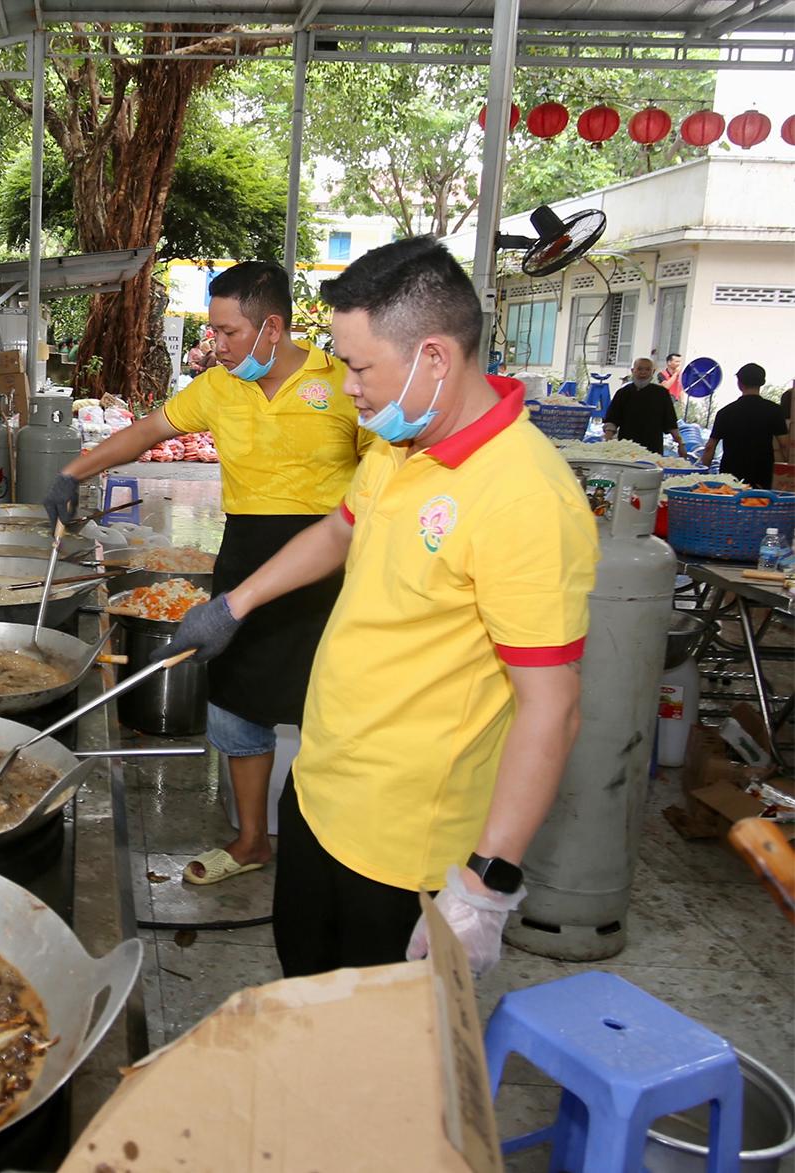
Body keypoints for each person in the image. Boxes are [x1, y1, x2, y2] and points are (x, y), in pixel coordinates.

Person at [159, 237, 597, 978]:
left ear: (434, 357)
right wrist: (235, 603)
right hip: (320, 792)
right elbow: (339, 530)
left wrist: (486, 883)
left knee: (380, 1031)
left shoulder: (525, 496)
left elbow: (552, 708)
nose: (348, 388)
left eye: (360, 368)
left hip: (406, 844)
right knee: (307, 985)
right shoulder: (401, 445)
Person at [43, 261, 369, 886]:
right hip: (246, 551)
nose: (214, 345)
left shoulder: (343, 384)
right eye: (212, 331)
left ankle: (338, 847)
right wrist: (72, 472)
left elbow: (384, 482)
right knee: (237, 704)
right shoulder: (218, 387)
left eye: (228, 332)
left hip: (333, 562)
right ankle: (251, 841)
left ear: (272, 327)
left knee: (333, 703)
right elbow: (148, 431)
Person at [706, 363, 790, 489]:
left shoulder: (725, 412)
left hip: (730, 478)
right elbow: (784, 445)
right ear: (762, 383)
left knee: (731, 501)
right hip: (763, 476)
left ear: (739, 383)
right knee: (760, 501)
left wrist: (703, 474)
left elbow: (710, 447)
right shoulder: (775, 410)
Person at [604, 358, 689, 458]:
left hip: (653, 448)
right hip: (626, 448)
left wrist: (680, 444)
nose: (643, 372)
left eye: (647, 369)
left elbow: (671, 422)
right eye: (639, 369)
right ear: (633, 371)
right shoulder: (623, 393)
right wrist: (607, 443)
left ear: (653, 372)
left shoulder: (661, 394)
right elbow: (612, 419)